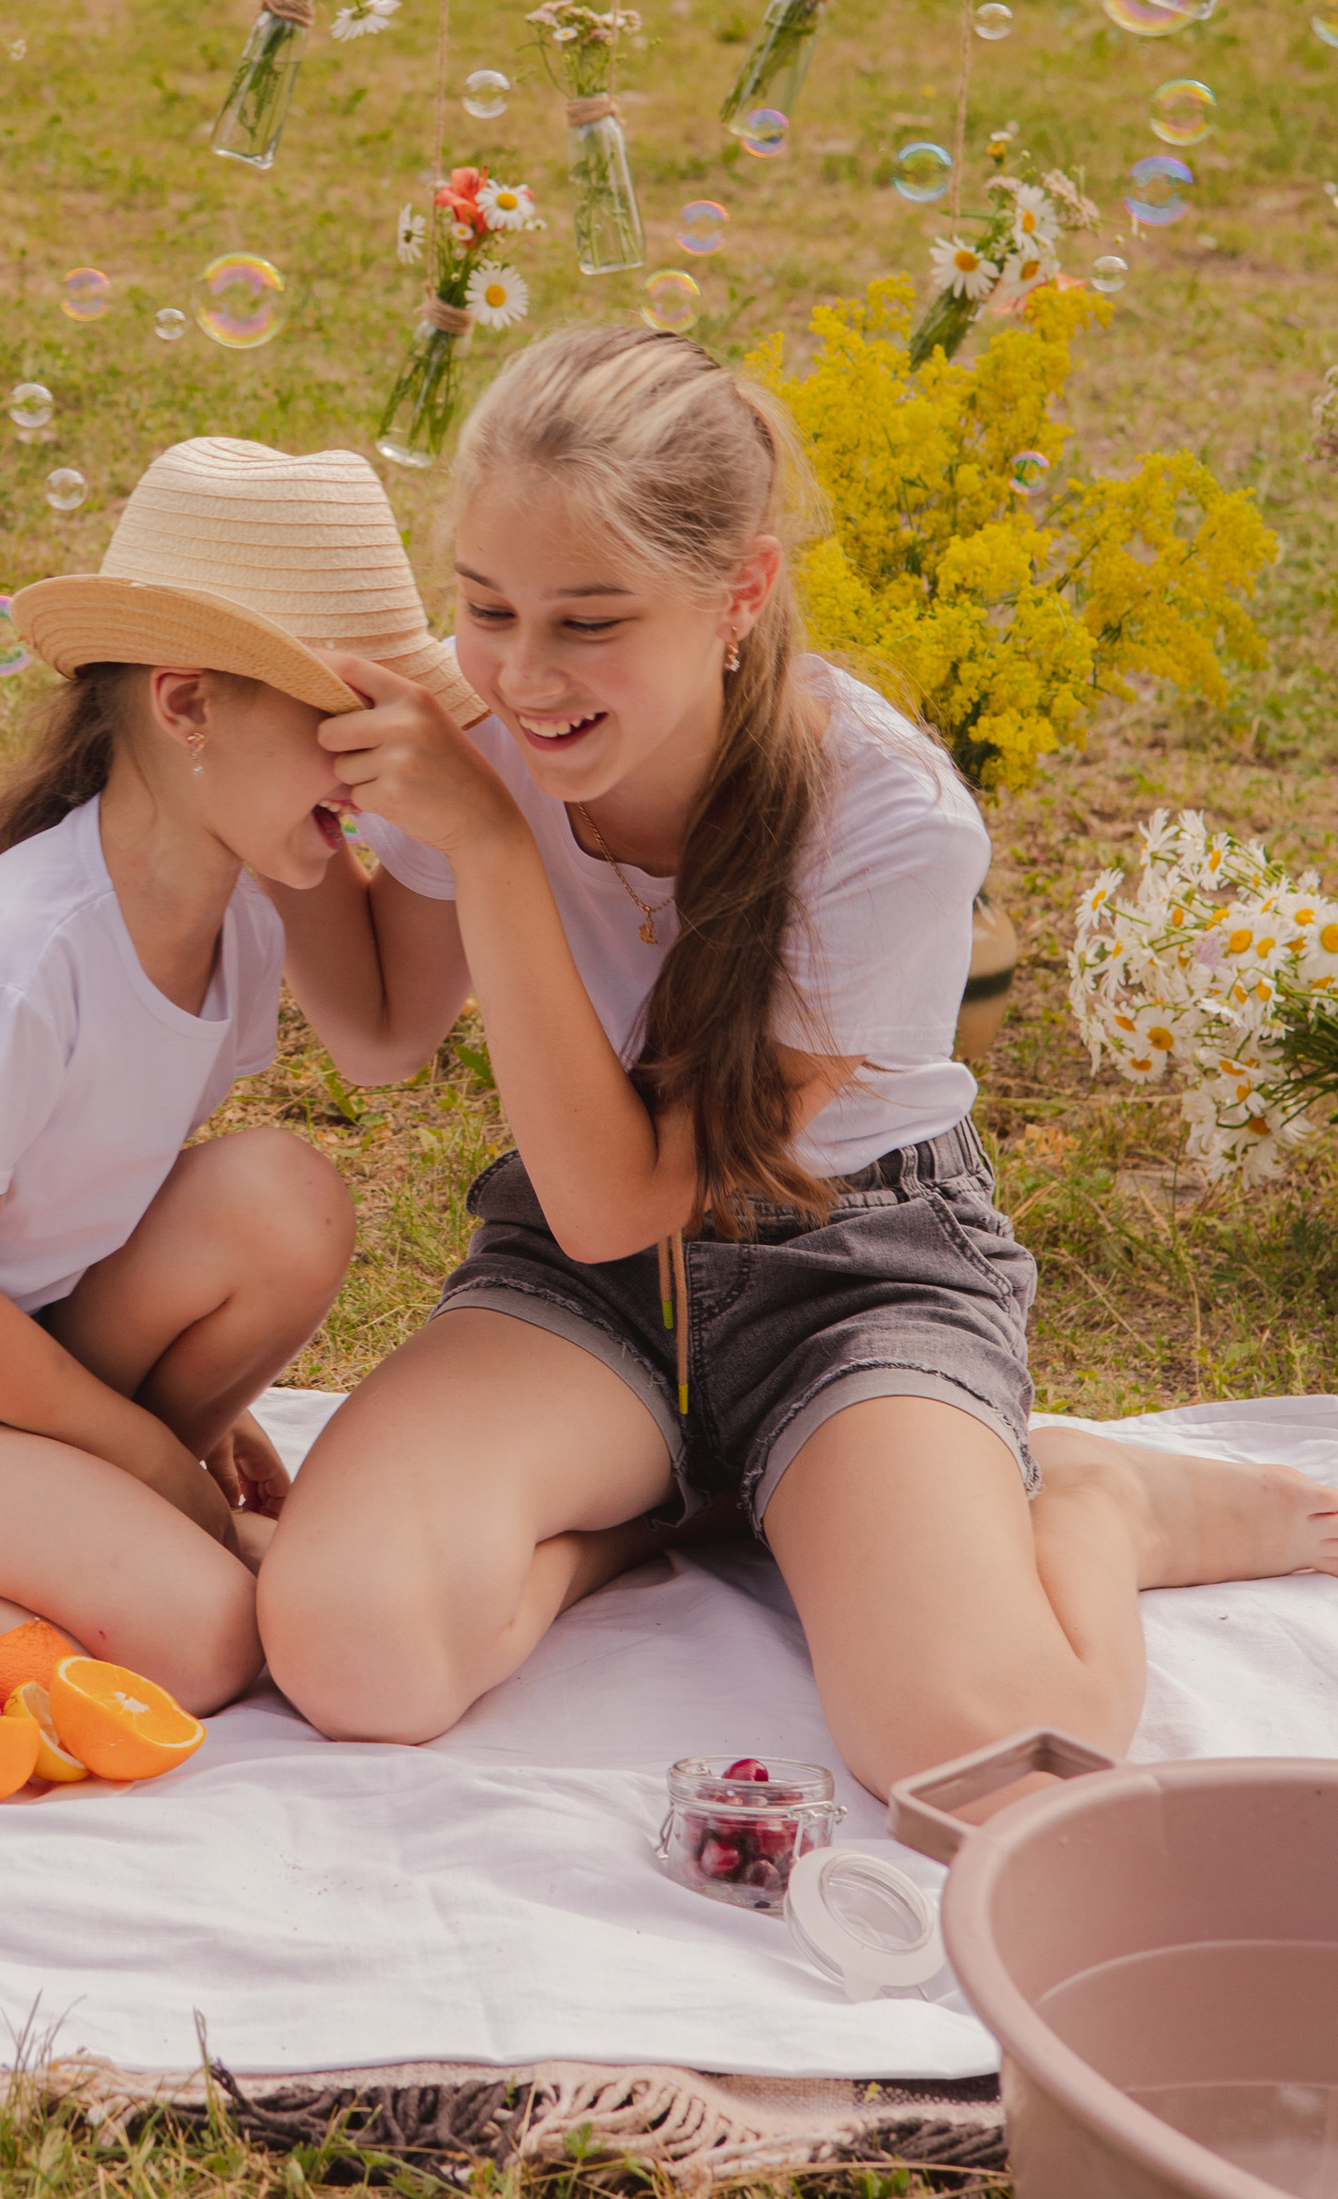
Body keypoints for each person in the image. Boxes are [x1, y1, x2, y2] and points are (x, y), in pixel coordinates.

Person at [258, 325, 1338, 1790]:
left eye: (589, 621)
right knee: (351, 1651)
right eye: (486, 605)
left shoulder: (882, 818)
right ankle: (676, 1507)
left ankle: (1096, 1505)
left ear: (741, 592)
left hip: (853, 1275)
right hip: (587, 1294)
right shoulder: (485, 723)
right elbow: (384, 1034)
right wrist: (276, 797)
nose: (520, 673)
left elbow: (624, 1195)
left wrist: (496, 847)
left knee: (983, 1767)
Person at [0, 435, 482, 1714]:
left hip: (9, 1322)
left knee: (287, 1194)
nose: (369, 769)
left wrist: (196, 1430)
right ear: (186, 706)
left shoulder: (244, 915)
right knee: (205, 1641)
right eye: (337, 725)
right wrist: (154, 1463)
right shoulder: (19, 963)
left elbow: (105, 1179)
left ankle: (56, 1503)